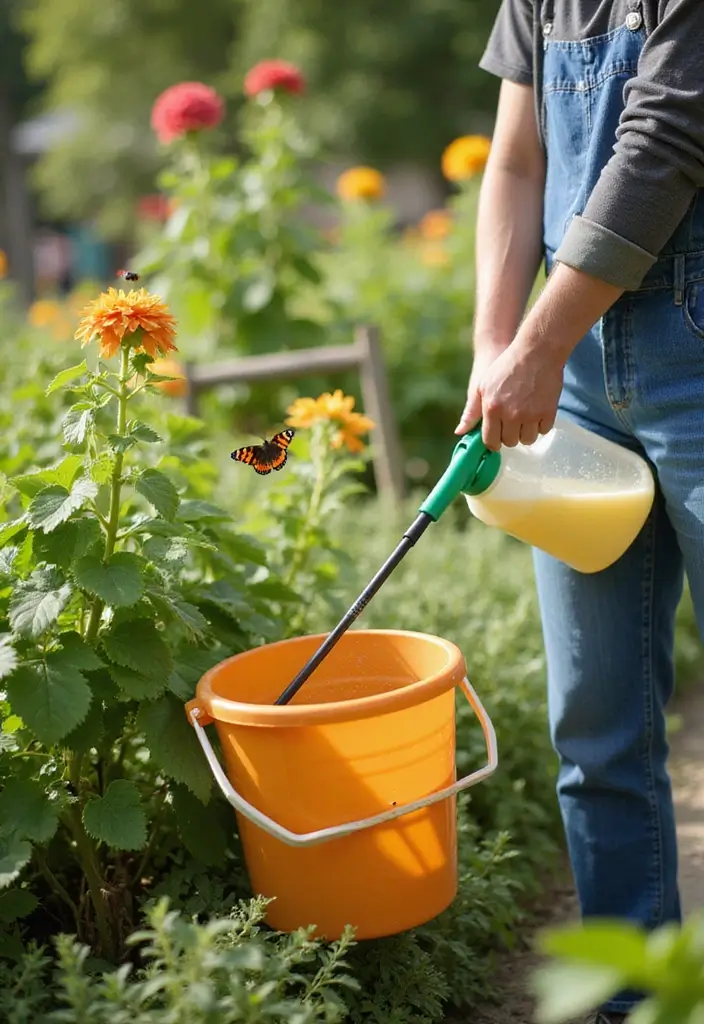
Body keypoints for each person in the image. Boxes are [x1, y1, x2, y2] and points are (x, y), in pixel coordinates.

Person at [455, 2, 704, 1021]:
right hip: (568, 368)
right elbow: (514, 159)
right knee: (593, 725)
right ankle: (629, 1003)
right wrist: (491, 345)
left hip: (682, 330)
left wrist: (537, 343)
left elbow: (666, 137)